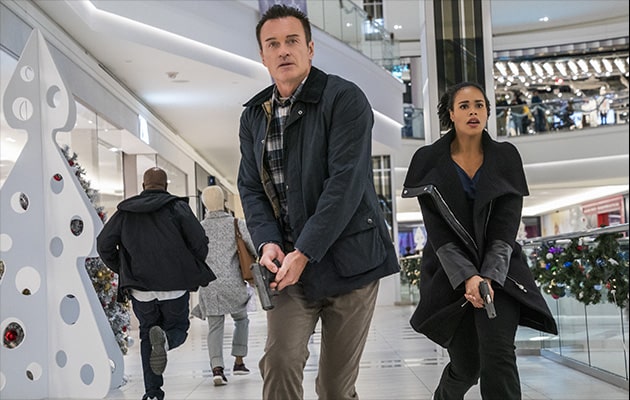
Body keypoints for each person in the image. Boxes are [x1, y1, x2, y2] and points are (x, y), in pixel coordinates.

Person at [237, 5, 400, 399]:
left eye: (292, 41)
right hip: (289, 266)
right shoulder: (254, 117)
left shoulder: (344, 99)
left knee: (334, 388)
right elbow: (252, 188)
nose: (283, 50)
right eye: (272, 44)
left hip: (351, 263)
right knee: (279, 362)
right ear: (262, 55)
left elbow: (345, 184)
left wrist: (306, 251)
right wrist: (268, 242)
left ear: (310, 49)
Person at [401, 82, 558, 399]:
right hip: (448, 273)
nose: (473, 112)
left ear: (487, 112)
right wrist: (468, 277)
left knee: (498, 353)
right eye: (464, 106)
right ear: (451, 113)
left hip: (501, 271)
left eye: (479, 105)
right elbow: (438, 232)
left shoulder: (505, 156)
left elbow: (505, 226)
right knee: (468, 365)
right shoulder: (428, 160)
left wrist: (488, 275)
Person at [97, 167, 215, 400]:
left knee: (146, 334)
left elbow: (103, 244)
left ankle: (152, 392)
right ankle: (167, 340)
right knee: (179, 328)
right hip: (175, 287)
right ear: (166, 186)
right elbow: (200, 241)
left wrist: (124, 269)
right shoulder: (177, 207)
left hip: (141, 291)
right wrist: (188, 265)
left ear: (143, 186)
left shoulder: (125, 212)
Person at [191, 186, 255, 386]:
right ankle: (239, 361)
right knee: (241, 319)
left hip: (209, 284)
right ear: (224, 202)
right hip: (233, 283)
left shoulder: (198, 228)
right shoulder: (236, 223)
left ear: (204, 204)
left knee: (215, 326)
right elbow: (253, 248)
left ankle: (217, 369)